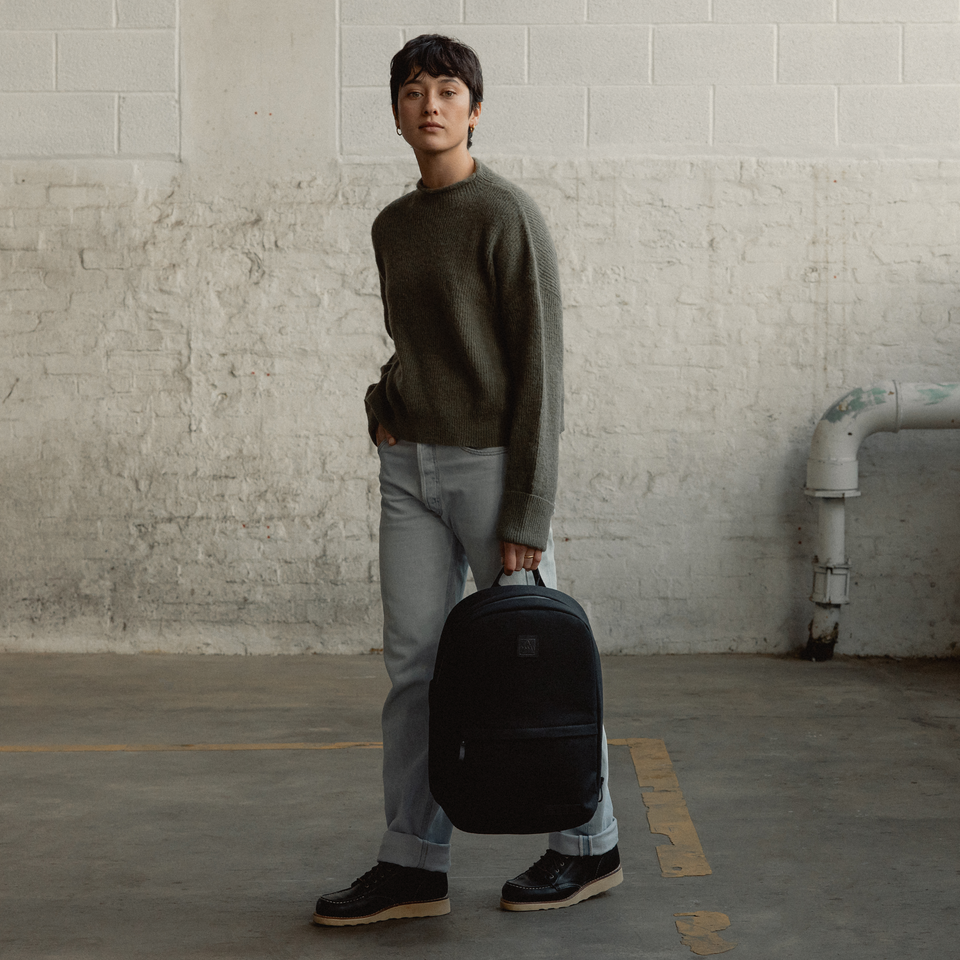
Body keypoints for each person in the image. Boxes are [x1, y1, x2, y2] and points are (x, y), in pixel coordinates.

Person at [312, 34, 620, 927]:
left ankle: (587, 844)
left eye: (449, 90)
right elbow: (418, 341)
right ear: (397, 111)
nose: (431, 104)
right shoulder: (393, 225)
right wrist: (381, 400)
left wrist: (529, 502)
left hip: (493, 468)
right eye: (413, 91)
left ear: (475, 109)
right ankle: (413, 863)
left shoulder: (505, 214)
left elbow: (539, 368)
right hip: (408, 470)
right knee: (413, 668)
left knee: (537, 664)